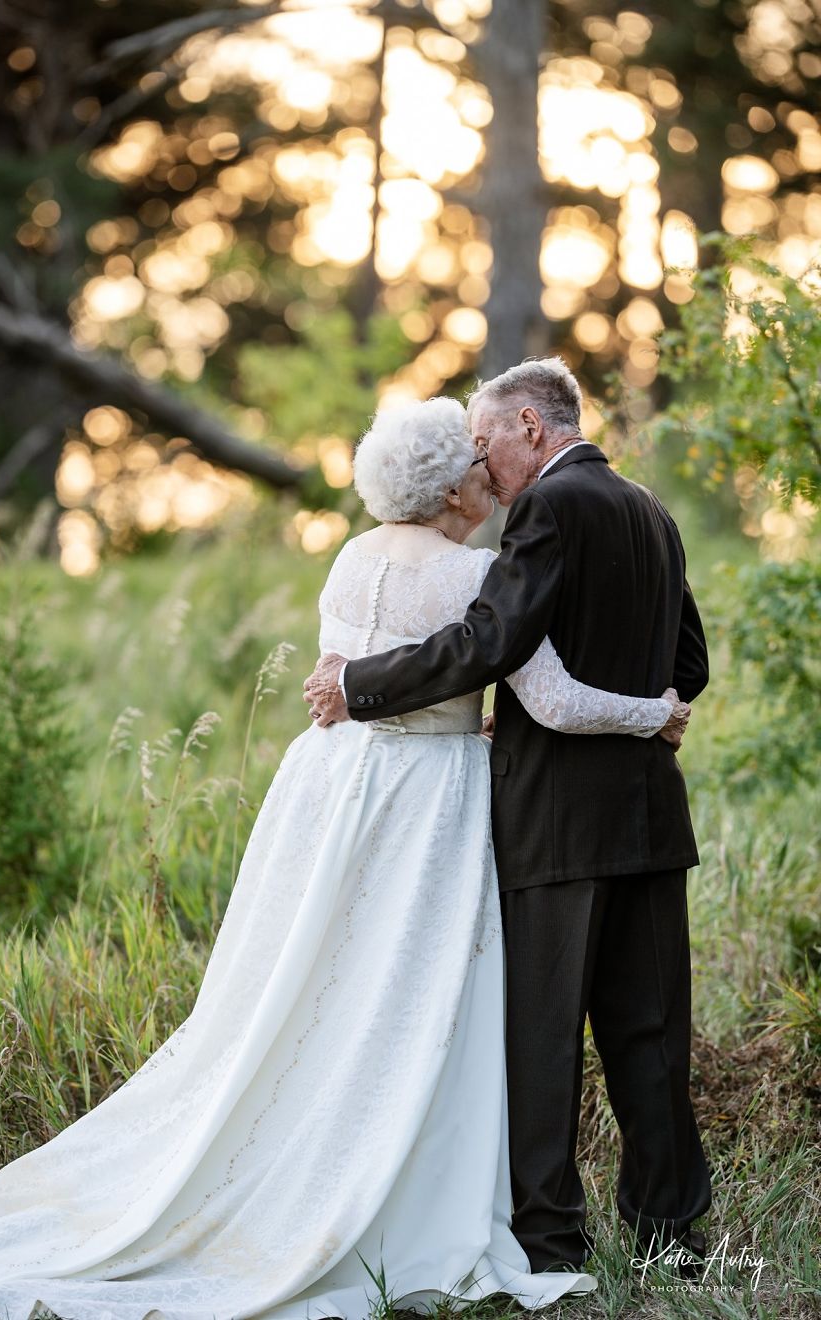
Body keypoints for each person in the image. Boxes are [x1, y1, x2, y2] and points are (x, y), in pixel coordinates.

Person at [0, 395, 688, 1320]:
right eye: (475, 462)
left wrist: (377, 695)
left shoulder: (347, 557)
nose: (489, 474)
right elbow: (556, 687)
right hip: (431, 802)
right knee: (426, 1003)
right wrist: (656, 713)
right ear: (454, 483)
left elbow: (367, 673)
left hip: (337, 792)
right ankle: (620, 1234)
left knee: (323, 992)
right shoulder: (504, 560)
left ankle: (314, 1174)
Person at [305, 359, 713, 1279]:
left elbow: (495, 639)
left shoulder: (548, 509)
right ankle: (672, 1243)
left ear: (532, 425)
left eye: (488, 442)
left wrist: (360, 683)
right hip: (649, 814)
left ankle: (551, 1243)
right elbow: (688, 663)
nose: (484, 467)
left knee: (543, 1039)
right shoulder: (651, 511)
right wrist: (643, 712)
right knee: (650, 1040)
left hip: (556, 820)